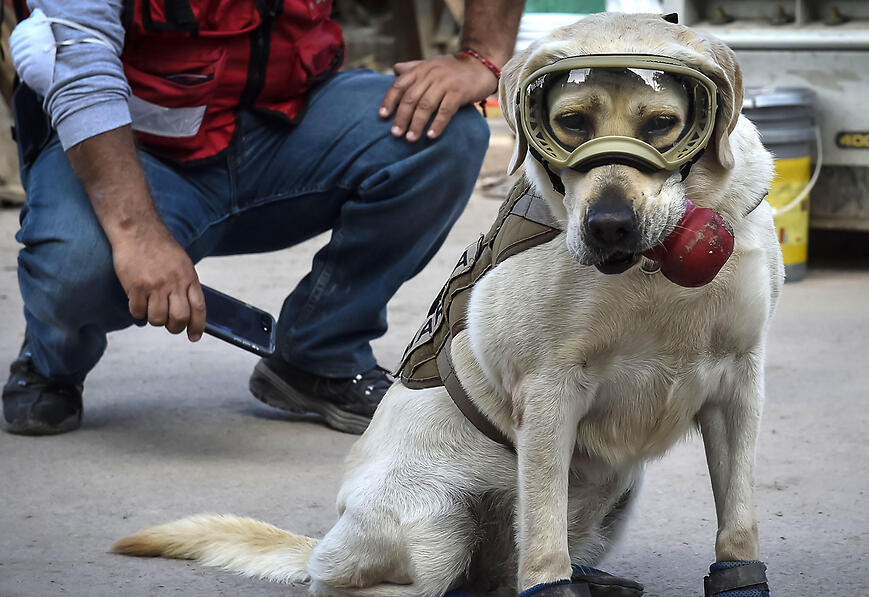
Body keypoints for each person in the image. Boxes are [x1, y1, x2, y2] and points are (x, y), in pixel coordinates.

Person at [2, 0, 524, 436]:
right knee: (78, 264)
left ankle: (317, 356)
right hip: (133, 149)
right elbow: (79, 58)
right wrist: (136, 232)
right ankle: (52, 362)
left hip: (277, 124)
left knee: (447, 137)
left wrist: (483, 58)